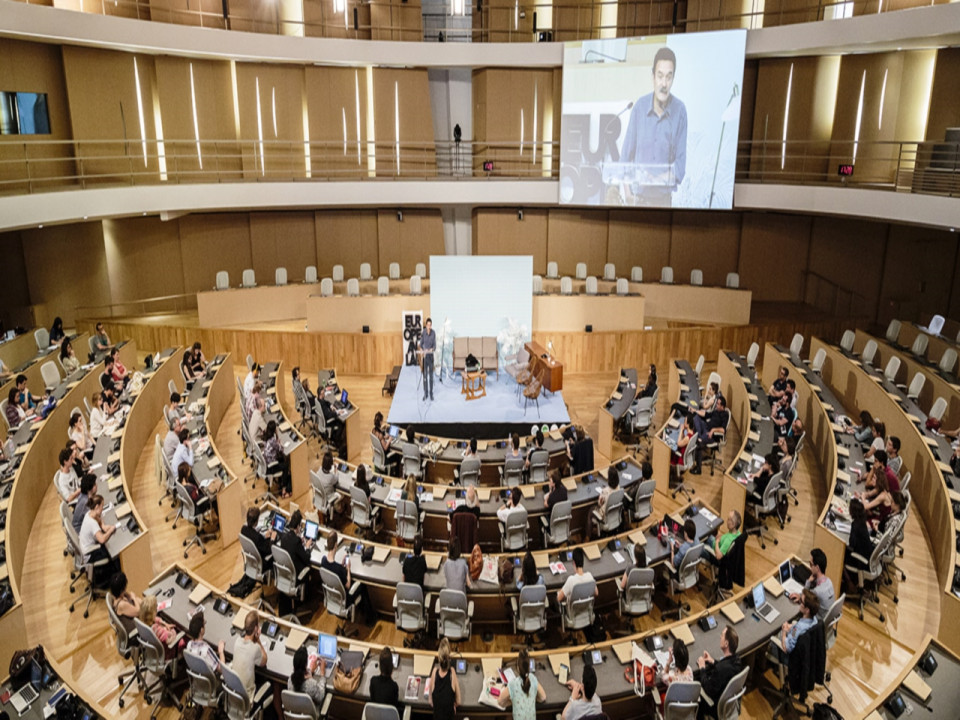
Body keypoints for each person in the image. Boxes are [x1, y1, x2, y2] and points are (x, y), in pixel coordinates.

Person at [619, 47, 687, 208]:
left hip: (663, 202)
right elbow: (625, 158)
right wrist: (628, 194)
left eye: (669, 77)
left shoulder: (680, 111)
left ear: (673, 79)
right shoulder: (639, 108)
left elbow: (680, 167)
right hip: (637, 199)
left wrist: (654, 180)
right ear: (653, 77)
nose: (664, 84)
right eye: (660, 76)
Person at [320, 531, 372, 621]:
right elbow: (348, 585)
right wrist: (348, 569)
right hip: (344, 600)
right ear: (336, 545)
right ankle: (369, 618)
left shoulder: (323, 561)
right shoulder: (338, 569)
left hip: (332, 598)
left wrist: (342, 566)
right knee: (362, 585)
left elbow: (334, 570)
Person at [698, 626, 742, 719]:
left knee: (697, 693)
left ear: (726, 643)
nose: (720, 637)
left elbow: (708, 689)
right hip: (728, 704)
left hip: (716, 707)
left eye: (722, 635)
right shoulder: (737, 661)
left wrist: (702, 668)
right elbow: (725, 667)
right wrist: (713, 661)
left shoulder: (720, 669)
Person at [231, 611, 272, 713]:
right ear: (255, 629)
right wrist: (258, 640)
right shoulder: (255, 648)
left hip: (234, 696)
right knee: (272, 685)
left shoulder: (237, 641)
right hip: (247, 702)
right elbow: (264, 660)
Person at [499, 647, 545, 718]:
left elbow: (500, 702)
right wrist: (532, 699)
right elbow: (543, 698)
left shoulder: (513, 684)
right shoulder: (533, 679)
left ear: (518, 668)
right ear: (529, 667)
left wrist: (513, 702)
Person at [791, 548, 835, 621]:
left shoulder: (817, 592)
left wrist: (808, 582)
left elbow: (804, 598)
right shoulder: (829, 582)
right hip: (827, 620)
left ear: (817, 568)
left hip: (817, 623)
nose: (810, 567)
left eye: (811, 564)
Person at [777, 588, 820, 660]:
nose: (799, 602)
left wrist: (784, 631)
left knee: (777, 636)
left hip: (792, 659)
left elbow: (787, 648)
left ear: (807, 610)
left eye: (801, 601)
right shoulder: (815, 620)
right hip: (806, 655)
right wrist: (792, 627)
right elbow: (798, 629)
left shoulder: (797, 628)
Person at [842, 498, 874, 593]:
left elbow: (852, 544)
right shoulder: (862, 522)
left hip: (860, 559)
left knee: (841, 555)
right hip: (867, 555)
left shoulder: (855, 525)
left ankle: (849, 583)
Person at [139, 594, 181, 659]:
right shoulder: (158, 630)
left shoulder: (145, 622)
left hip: (155, 652)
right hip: (167, 653)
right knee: (184, 640)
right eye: (155, 608)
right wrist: (173, 630)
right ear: (152, 613)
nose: (157, 609)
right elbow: (169, 641)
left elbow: (156, 619)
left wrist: (165, 624)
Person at [428, 638, 461, 718]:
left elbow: (430, 702)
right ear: (449, 657)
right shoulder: (452, 672)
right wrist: (452, 705)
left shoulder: (434, 672)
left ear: (439, 658)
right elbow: (459, 702)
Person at [288, 645, 326, 711]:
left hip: (295, 714)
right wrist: (322, 674)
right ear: (306, 664)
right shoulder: (311, 684)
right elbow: (321, 696)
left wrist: (310, 671)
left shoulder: (290, 680)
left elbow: (300, 676)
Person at [279, 509, 314, 577]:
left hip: (286, 571)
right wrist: (307, 547)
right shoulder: (296, 541)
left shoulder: (283, 536)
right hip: (295, 574)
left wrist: (299, 539)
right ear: (298, 526)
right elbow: (306, 558)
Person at [240, 506, 276, 572]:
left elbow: (256, 540)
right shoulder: (257, 537)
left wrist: (265, 537)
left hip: (251, 559)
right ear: (256, 521)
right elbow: (268, 550)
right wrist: (272, 539)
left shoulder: (243, 529)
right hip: (261, 563)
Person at [263, 420, 292, 497]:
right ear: (274, 430)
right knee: (286, 466)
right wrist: (278, 441)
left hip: (266, 464)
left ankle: (281, 480)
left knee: (281, 459)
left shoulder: (266, 436)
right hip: (271, 467)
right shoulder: (272, 440)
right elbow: (281, 449)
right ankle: (284, 488)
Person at [370, 646, 402, 714]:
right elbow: (394, 707)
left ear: (380, 666)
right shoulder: (394, 686)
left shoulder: (373, 681)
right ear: (392, 667)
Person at [419, 317, 436, 402]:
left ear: (431, 325)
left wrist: (430, 350)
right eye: (427, 325)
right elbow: (420, 344)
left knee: (431, 377)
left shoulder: (433, 333)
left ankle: (431, 393)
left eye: (430, 325)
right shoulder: (423, 333)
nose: (429, 326)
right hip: (425, 357)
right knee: (425, 377)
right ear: (426, 325)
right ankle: (425, 394)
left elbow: (435, 346)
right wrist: (422, 350)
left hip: (431, 357)